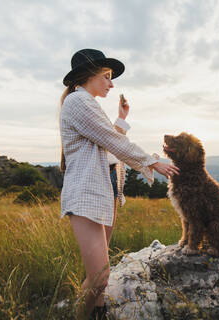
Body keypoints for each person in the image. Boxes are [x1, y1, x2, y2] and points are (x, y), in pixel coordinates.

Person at [59, 49, 179, 319]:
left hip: (106, 189)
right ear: (90, 75)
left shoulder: (87, 102)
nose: (112, 84)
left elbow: (107, 143)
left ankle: (98, 313)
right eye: (107, 77)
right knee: (100, 276)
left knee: (101, 273)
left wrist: (122, 118)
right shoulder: (78, 101)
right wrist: (151, 162)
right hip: (87, 192)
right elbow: (112, 141)